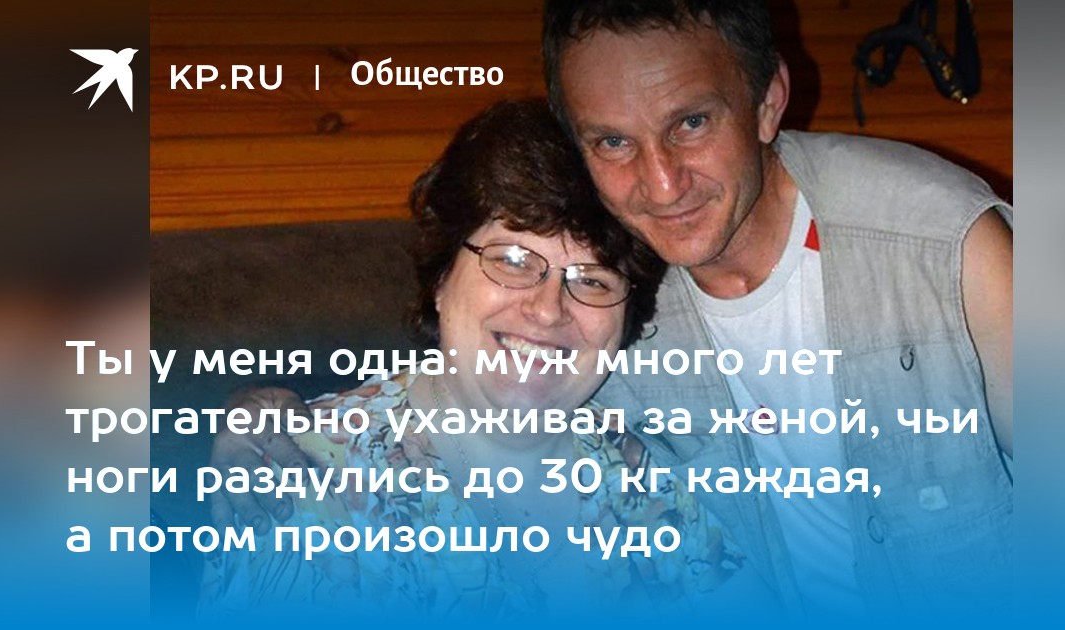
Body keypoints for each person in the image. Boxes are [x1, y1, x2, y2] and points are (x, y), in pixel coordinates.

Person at [215, 0, 1013, 620]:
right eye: (613, 142)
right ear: (440, 272)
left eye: (691, 122)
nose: (661, 184)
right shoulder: (314, 482)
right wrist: (270, 422)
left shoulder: (940, 245)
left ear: (768, 101)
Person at [200, 99, 761, 618]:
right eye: (513, 259)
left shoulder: (649, 471)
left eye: (592, 279)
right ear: (442, 278)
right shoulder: (300, 479)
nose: (548, 309)